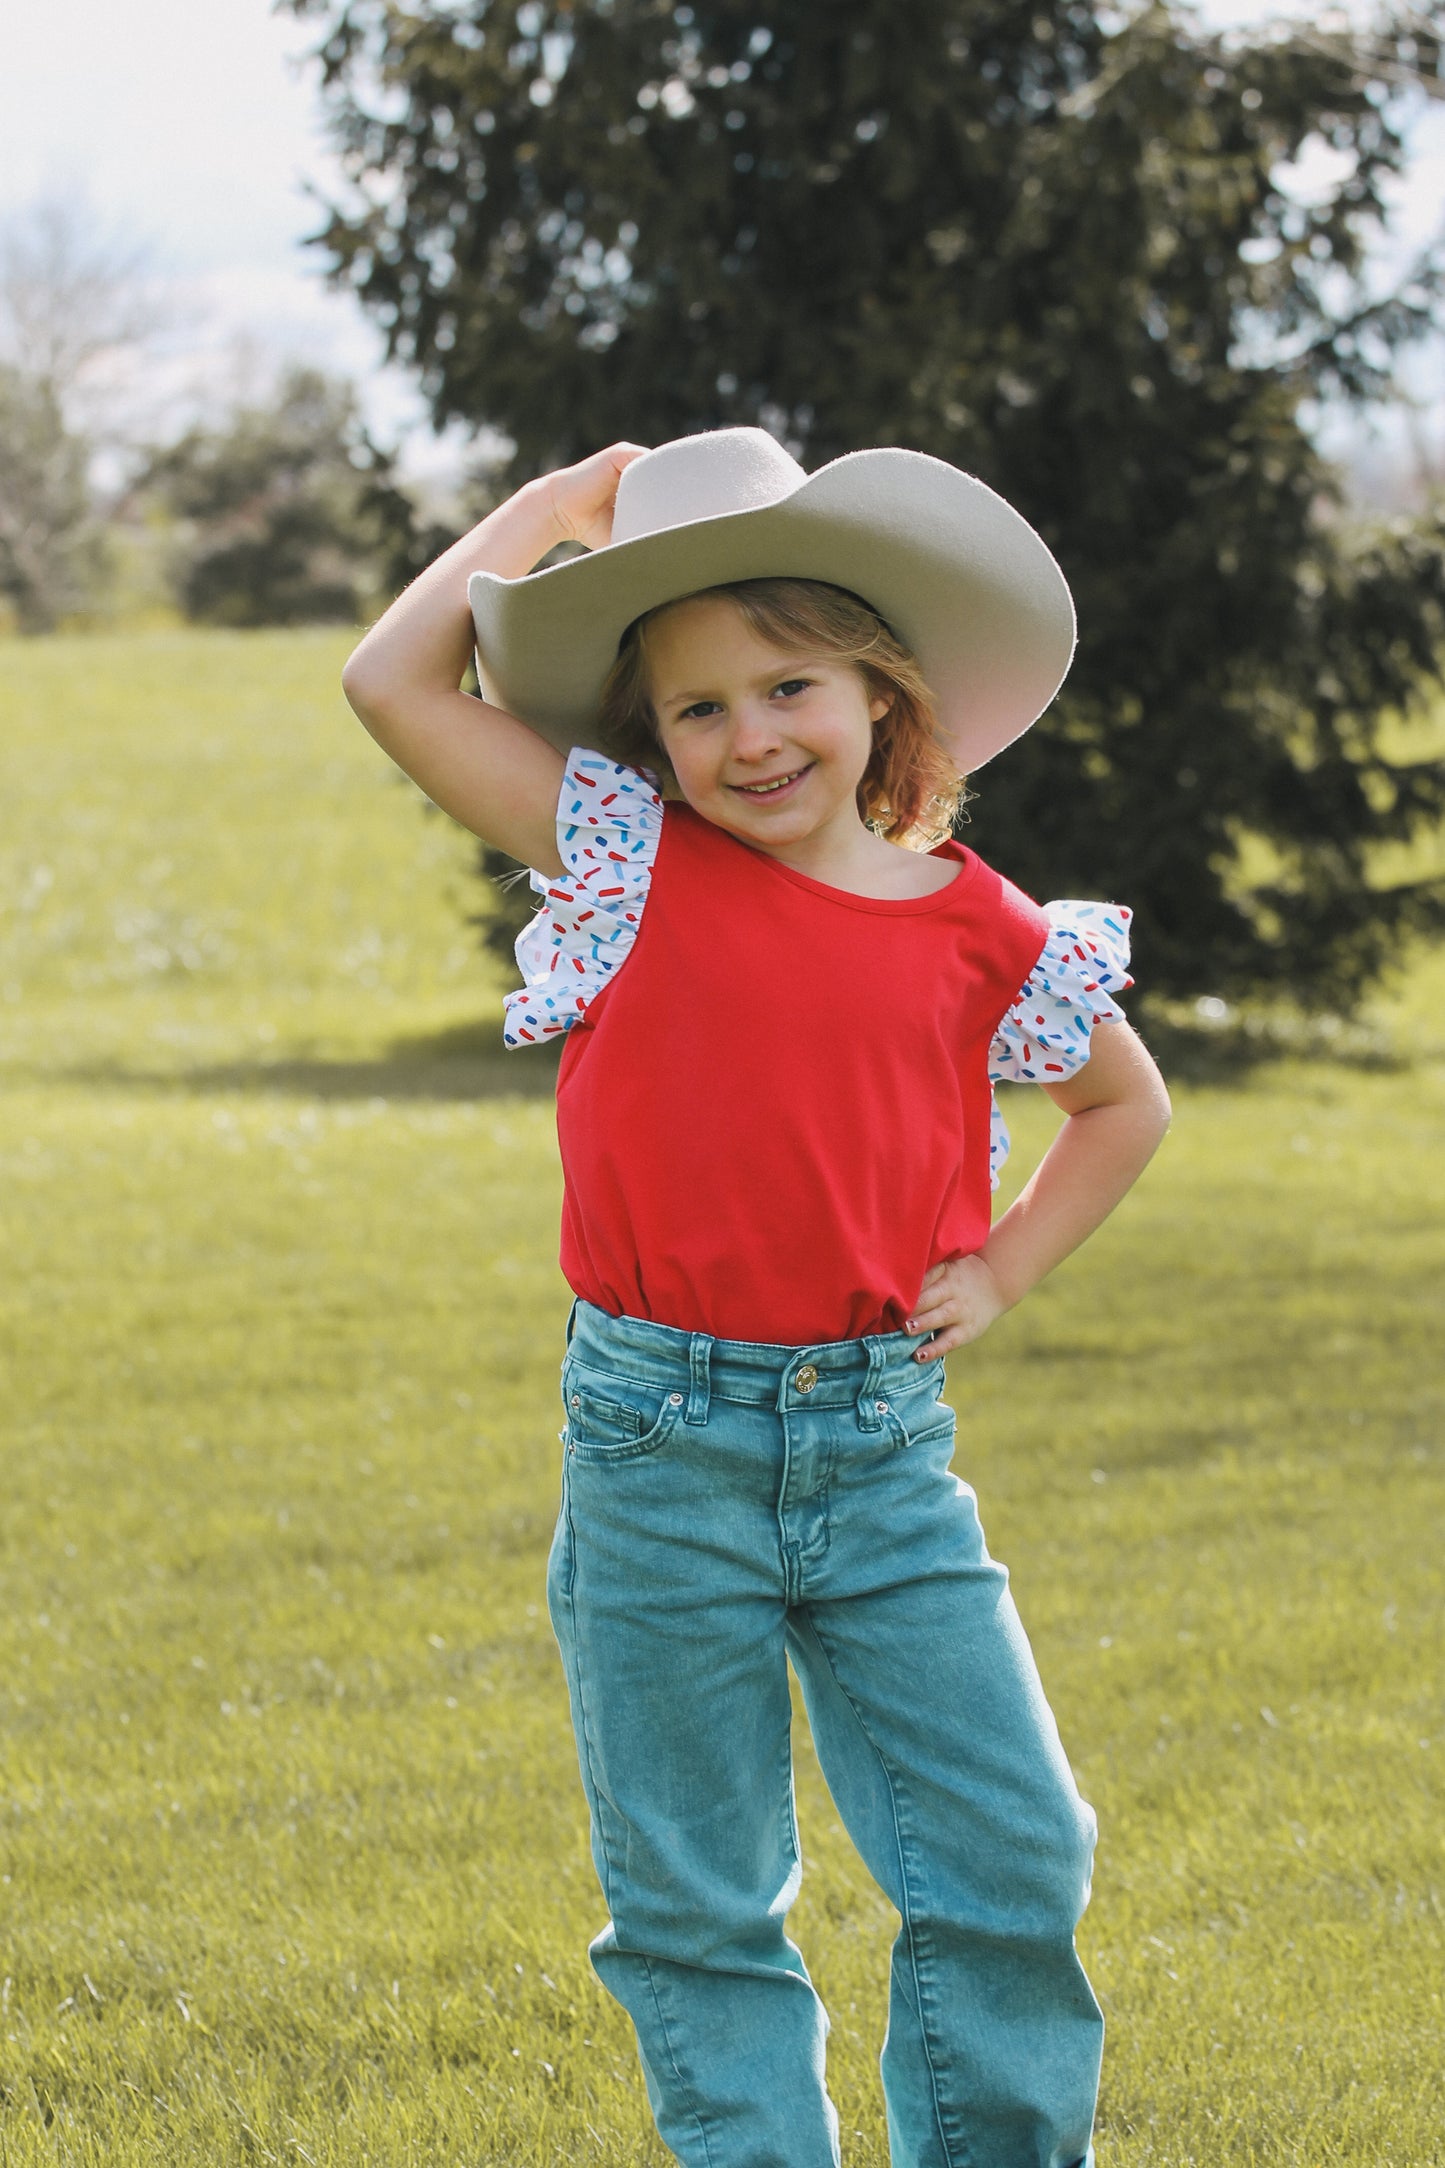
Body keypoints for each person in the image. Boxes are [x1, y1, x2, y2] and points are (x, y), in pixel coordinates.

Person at [341, 428, 1172, 2168]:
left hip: (880, 1454)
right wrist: (545, 521)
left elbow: (1120, 1103)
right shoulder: (632, 864)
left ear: (884, 697)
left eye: (787, 683)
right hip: (660, 1448)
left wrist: (1003, 1264)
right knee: (698, 1897)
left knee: (1016, 1851)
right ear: (650, 743)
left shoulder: (980, 929)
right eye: (697, 709)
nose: (748, 736)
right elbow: (391, 678)